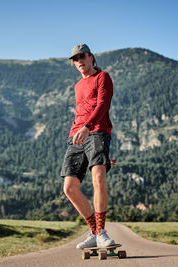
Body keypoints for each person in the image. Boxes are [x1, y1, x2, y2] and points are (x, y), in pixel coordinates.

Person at [61, 44, 115, 248]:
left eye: (82, 56)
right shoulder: (77, 86)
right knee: (70, 188)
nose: (79, 61)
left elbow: (103, 104)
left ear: (91, 57)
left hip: (97, 131)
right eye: (75, 59)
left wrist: (87, 127)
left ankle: (101, 232)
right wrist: (80, 129)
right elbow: (80, 111)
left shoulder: (103, 77)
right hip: (76, 135)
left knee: (98, 176)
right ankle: (94, 231)